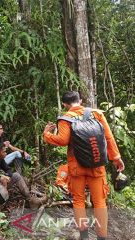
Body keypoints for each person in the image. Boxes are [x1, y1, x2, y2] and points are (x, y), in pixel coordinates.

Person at [43, 91, 125, 240]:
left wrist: (47, 134)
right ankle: (102, 237)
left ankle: (84, 236)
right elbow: (108, 137)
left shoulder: (65, 118)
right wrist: (116, 158)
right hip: (96, 165)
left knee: (79, 200)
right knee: (99, 200)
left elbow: (62, 140)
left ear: (64, 104)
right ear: (80, 100)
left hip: (76, 166)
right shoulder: (97, 114)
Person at [0, 142, 47, 210]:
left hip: (0, 185)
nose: (6, 153)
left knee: (16, 175)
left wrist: (6, 176)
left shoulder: (0, 159)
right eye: (4, 152)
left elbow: (8, 170)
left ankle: (31, 200)